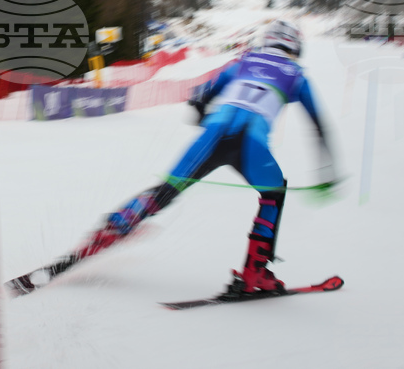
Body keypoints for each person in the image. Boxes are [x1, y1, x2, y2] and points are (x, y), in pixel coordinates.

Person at [75, 19, 337, 294]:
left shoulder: (242, 61)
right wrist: (328, 171)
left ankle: (112, 229)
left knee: (166, 190)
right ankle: (255, 272)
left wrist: (204, 120)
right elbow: (319, 124)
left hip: (212, 136)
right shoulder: (297, 75)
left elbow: (199, 98)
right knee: (274, 193)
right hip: (252, 144)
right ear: (295, 47)